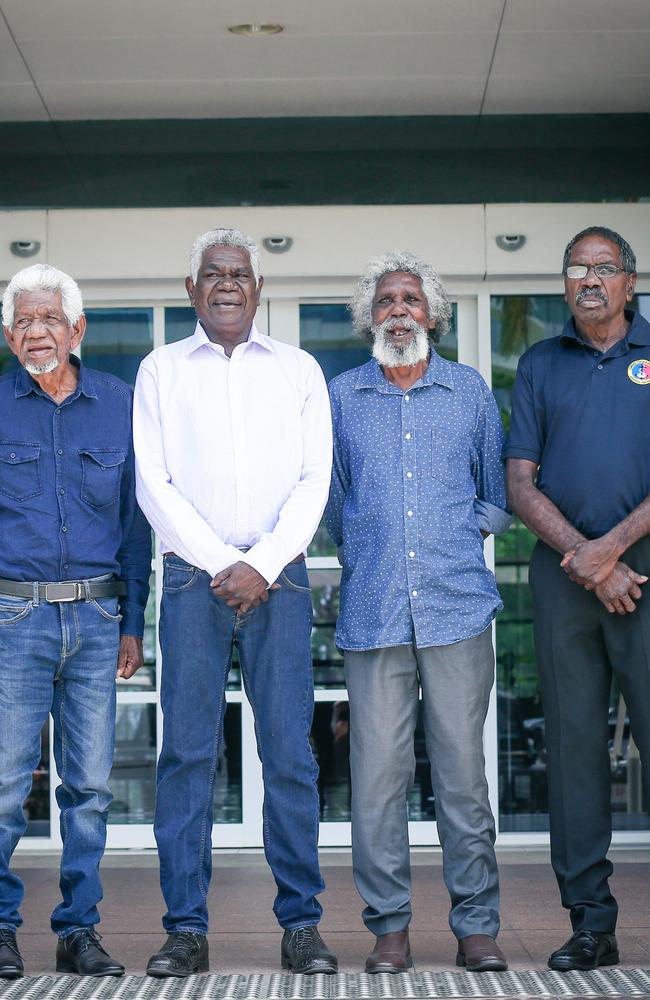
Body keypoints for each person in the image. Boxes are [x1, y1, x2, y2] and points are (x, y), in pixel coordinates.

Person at [133, 228, 336, 978]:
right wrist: (226, 563)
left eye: (239, 275)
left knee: (289, 753)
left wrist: (263, 561)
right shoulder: (161, 370)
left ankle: (302, 927)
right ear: (192, 291)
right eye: (212, 275)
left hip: (279, 578)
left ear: (258, 290)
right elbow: (152, 483)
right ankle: (185, 928)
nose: (226, 284)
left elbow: (316, 478)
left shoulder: (299, 370)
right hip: (193, 581)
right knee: (187, 755)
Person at [325, 251, 511, 974]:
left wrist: (453, 532)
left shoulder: (469, 392)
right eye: (384, 300)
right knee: (377, 783)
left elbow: (494, 494)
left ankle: (477, 927)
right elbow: (335, 501)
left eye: (410, 299)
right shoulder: (342, 395)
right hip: (374, 613)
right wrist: (375, 542)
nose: (397, 310)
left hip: (458, 610)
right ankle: (390, 928)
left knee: (463, 778)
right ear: (369, 316)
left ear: (431, 313)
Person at [0, 264, 151, 980]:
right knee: (3, 785)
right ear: (8, 334)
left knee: (88, 790)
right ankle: (0, 929)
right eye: (23, 322)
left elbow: (137, 524)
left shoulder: (119, 405)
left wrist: (134, 622)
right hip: (12, 619)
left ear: (77, 328)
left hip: (96, 618)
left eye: (49, 320)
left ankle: (78, 930)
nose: (36, 333)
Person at [506, 225, 650, 972]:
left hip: (644, 572)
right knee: (574, 752)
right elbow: (519, 483)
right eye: (576, 268)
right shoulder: (539, 362)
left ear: (630, 280)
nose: (589, 278)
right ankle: (591, 922)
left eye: (604, 267)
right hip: (566, 581)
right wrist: (587, 559)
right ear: (564, 284)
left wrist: (612, 550)